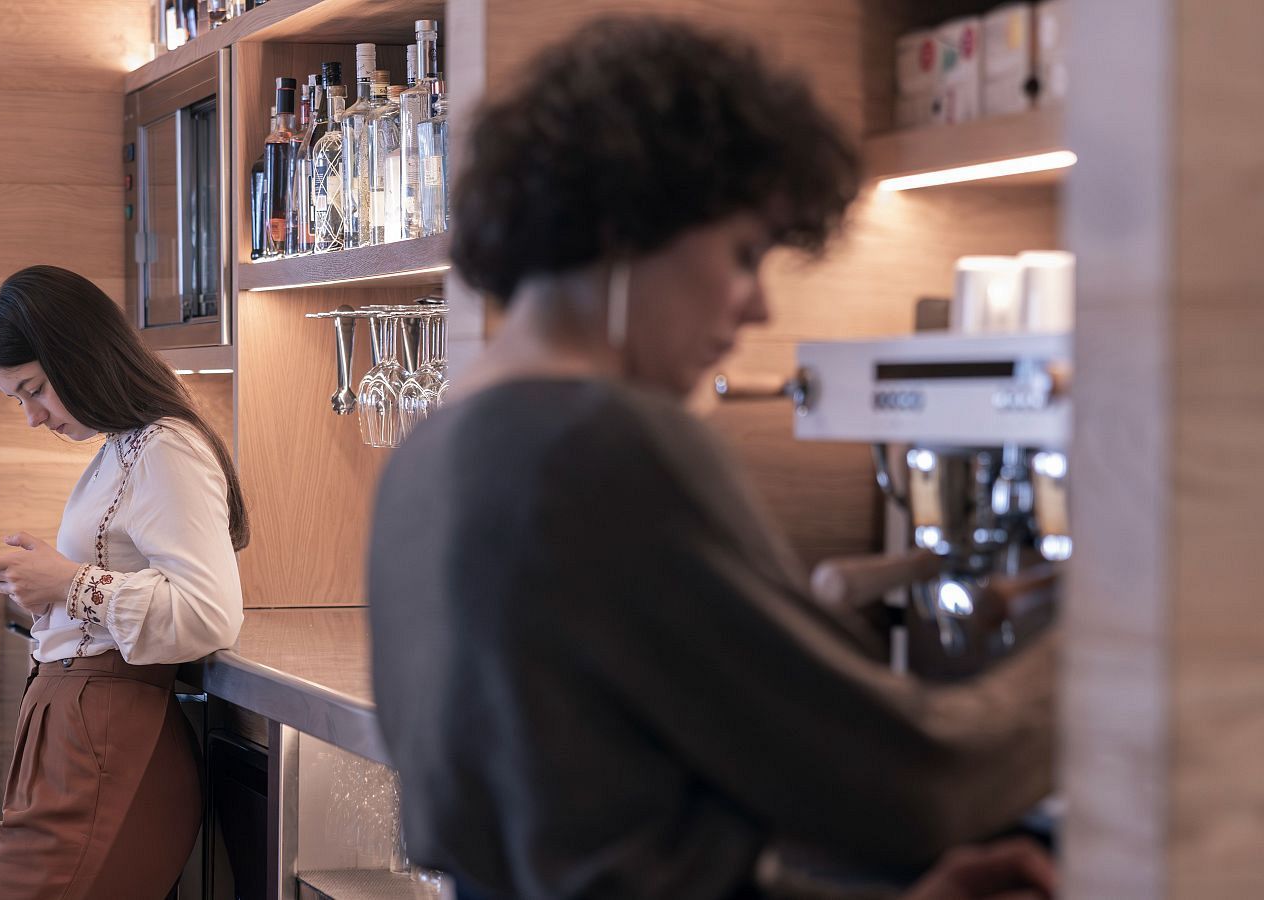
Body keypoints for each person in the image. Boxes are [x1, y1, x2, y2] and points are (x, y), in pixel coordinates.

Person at [366, 18, 1056, 900]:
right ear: (625, 222)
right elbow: (915, 782)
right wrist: (1110, 641)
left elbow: (607, 856)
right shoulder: (604, 444)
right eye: (743, 254)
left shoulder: (431, 451)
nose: (759, 307)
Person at [0, 266, 248, 899]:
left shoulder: (167, 448)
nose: (32, 417)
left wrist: (68, 584)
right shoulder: (124, 447)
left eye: (34, 390)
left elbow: (209, 613)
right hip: (77, 729)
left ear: (76, 353)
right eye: (17, 400)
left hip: (104, 734)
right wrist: (46, 583)